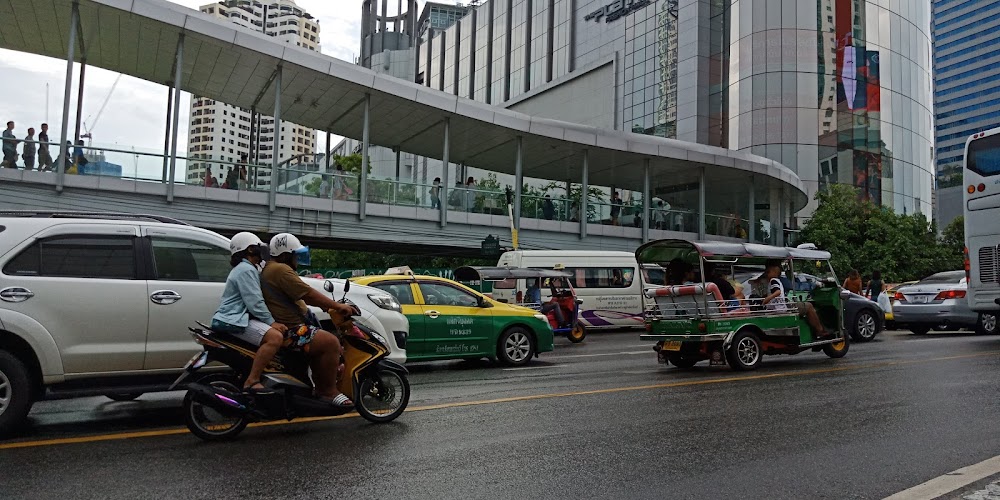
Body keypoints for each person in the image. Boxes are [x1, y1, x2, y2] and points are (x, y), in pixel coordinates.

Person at [261, 233, 357, 408]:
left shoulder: (272, 268)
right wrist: (337, 306)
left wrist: (326, 306)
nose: (298, 260)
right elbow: (308, 294)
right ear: (285, 255)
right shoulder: (281, 270)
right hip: (292, 330)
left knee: (323, 340)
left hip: (291, 326)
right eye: (295, 256)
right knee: (331, 343)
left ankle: (315, 385)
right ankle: (327, 391)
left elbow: (301, 296)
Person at [211, 232, 288, 392]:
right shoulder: (246, 269)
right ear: (250, 249)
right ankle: (252, 380)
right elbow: (255, 302)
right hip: (232, 320)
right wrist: (272, 322)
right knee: (274, 338)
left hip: (236, 318)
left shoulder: (246, 268)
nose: (262, 251)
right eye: (258, 247)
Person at [751, 260, 829, 338]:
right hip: (781, 307)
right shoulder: (776, 279)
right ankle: (820, 331)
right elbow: (796, 287)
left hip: (774, 307)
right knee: (809, 306)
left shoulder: (762, 280)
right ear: (775, 269)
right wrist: (813, 285)